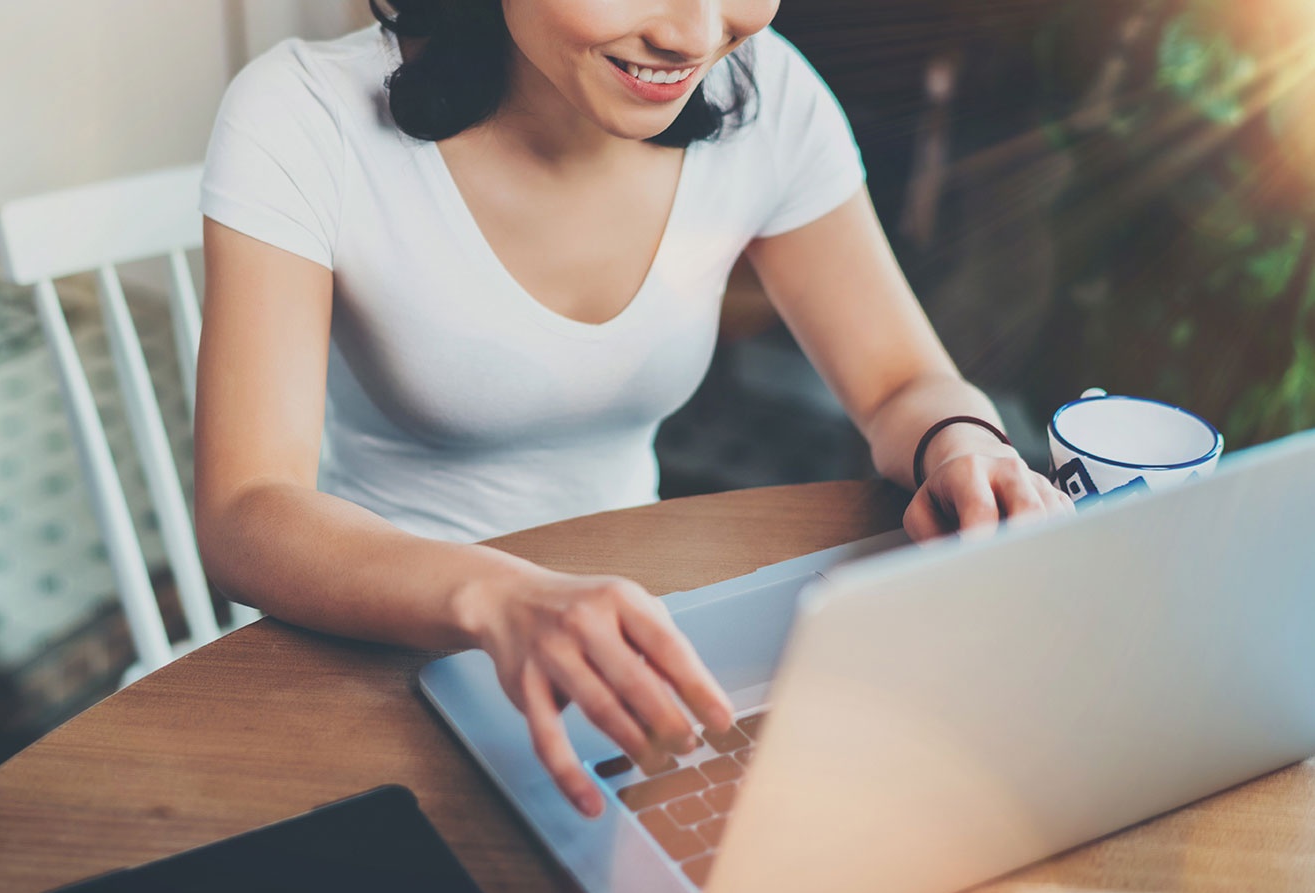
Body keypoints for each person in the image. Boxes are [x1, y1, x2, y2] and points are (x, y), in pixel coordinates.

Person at [195, 0, 1073, 819]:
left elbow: (897, 384)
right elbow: (245, 512)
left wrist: (962, 443)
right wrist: (506, 599)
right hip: (365, 647)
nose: (694, 35)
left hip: (626, 642)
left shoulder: (768, 94)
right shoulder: (303, 114)